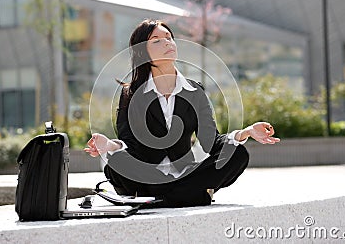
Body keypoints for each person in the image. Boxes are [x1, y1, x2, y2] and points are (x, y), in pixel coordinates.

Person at [84, 19, 280, 208]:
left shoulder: (195, 92)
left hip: (184, 173)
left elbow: (210, 140)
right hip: (146, 174)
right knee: (116, 162)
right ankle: (189, 195)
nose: (167, 42)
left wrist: (245, 133)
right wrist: (108, 145)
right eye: (157, 40)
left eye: (169, 37)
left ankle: (161, 198)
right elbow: (129, 143)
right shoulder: (131, 93)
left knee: (237, 153)